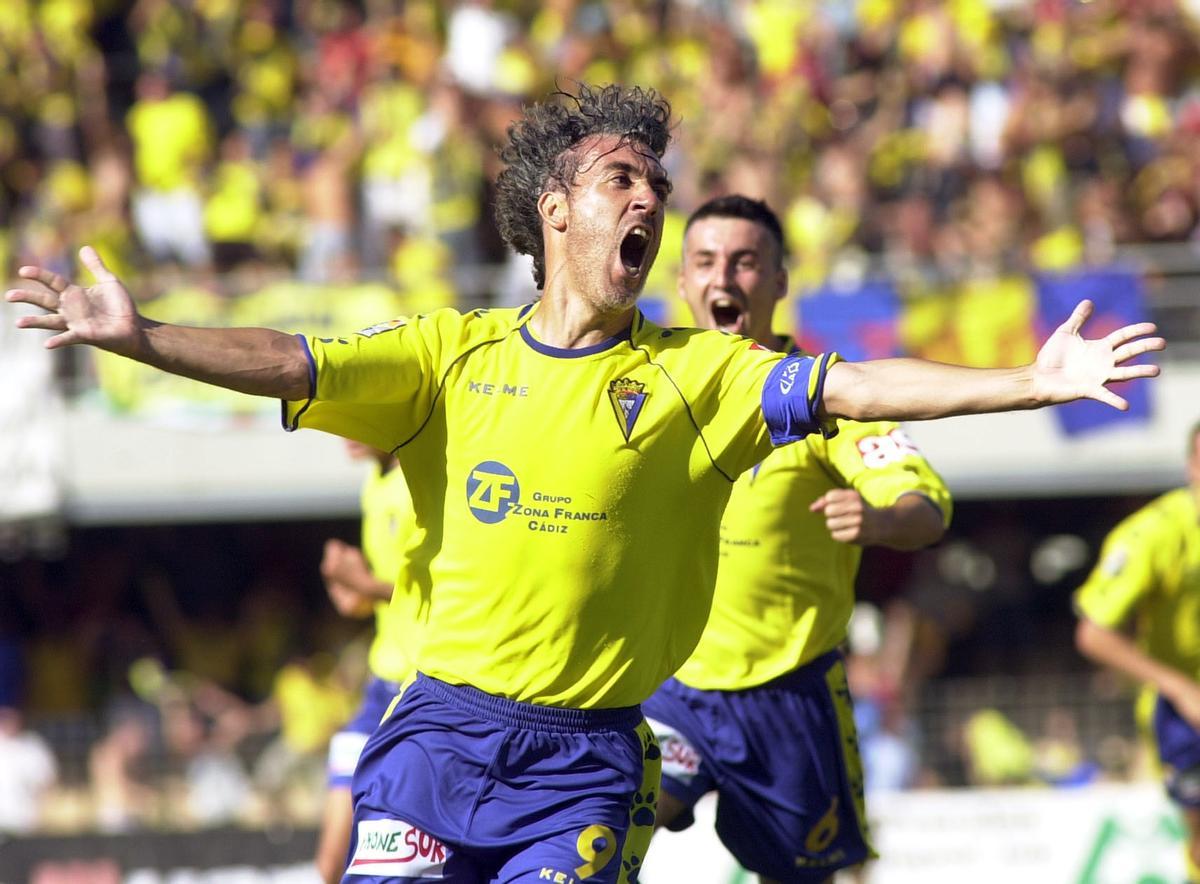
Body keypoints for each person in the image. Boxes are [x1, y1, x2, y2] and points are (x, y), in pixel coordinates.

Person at [8, 83, 1163, 883]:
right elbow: (292, 360)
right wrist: (144, 333)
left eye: (658, 183)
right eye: (624, 179)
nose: (650, 200)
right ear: (554, 210)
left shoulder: (701, 376)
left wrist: (1032, 376)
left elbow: (859, 389)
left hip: (591, 759)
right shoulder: (448, 356)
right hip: (438, 736)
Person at [641, 195, 950, 883]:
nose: (724, 278)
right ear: (684, 282)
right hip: (674, 688)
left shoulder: (824, 395)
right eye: (706, 262)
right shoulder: (647, 388)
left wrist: (881, 522)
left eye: (746, 262)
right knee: (615, 819)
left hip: (790, 696)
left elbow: (925, 504)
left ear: (780, 281)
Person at [1074, 421, 1200, 882]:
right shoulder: (1153, 534)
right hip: (1184, 714)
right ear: (1191, 465)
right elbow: (1093, 633)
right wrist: (1181, 687)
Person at [315, 440, 418, 884]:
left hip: (425, 693)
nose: (345, 430)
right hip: (381, 687)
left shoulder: (422, 483)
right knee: (330, 865)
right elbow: (385, 594)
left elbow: (446, 596)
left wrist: (364, 583)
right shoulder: (374, 484)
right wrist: (355, 593)